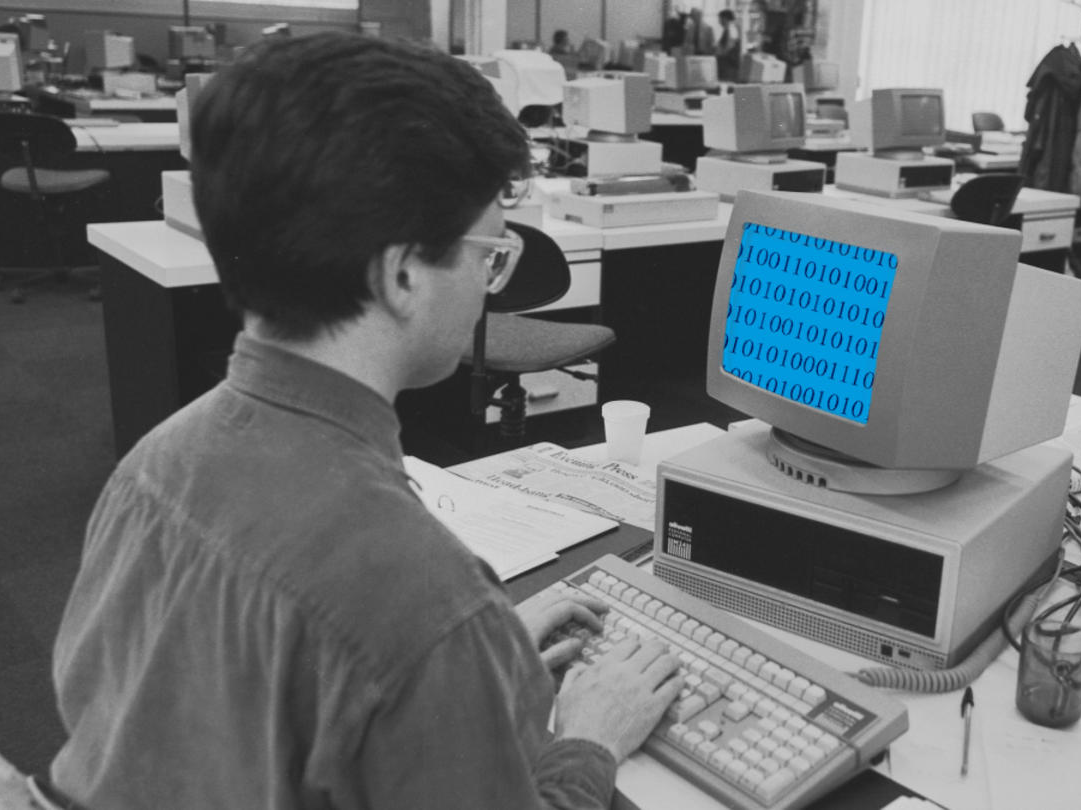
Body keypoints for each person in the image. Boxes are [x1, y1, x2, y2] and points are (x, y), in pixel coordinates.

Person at [44, 32, 683, 810]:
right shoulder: (424, 599)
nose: (489, 283)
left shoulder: (152, 465)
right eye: (491, 255)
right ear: (403, 273)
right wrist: (590, 736)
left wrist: (478, 660)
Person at [716, 9, 742, 82]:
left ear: (725, 18)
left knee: (727, 85)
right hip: (727, 64)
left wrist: (719, 52)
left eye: (720, 18)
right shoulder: (728, 29)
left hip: (729, 65)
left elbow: (729, 46)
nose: (719, 21)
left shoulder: (732, 29)